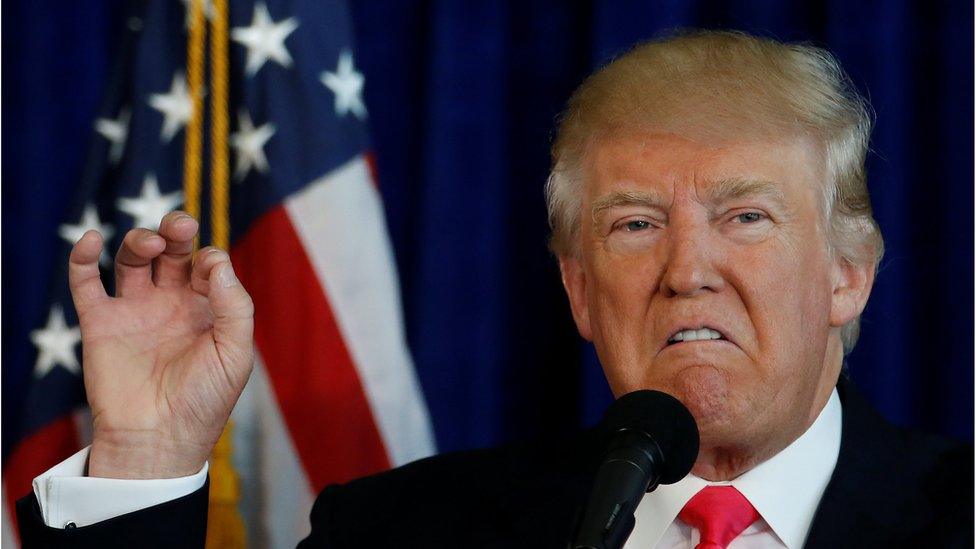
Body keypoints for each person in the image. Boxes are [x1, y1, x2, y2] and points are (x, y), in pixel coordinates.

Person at [16, 30, 972, 548]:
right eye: (635, 224)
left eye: (746, 217)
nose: (687, 270)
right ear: (579, 292)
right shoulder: (400, 535)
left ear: (849, 274)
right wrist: (145, 453)